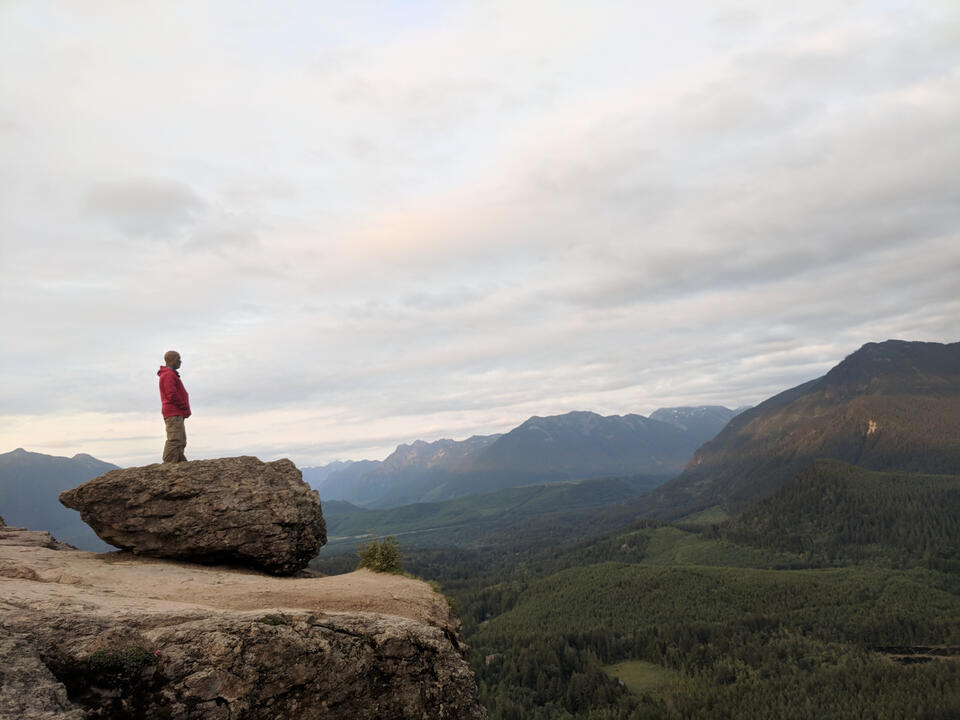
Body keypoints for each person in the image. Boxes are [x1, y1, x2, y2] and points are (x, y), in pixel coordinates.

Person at [158, 350, 191, 463]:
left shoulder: (170, 374)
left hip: (176, 412)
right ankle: (169, 466)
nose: (180, 361)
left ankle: (180, 464)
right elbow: (171, 394)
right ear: (172, 360)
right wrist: (183, 406)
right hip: (174, 412)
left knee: (180, 440)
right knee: (175, 439)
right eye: (179, 359)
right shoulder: (168, 375)